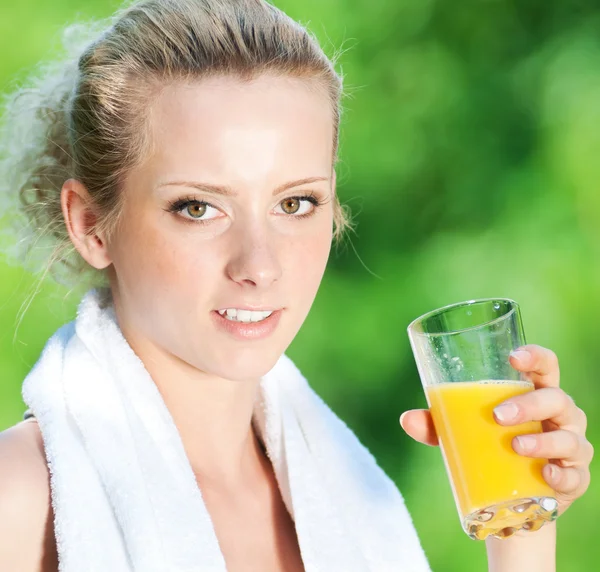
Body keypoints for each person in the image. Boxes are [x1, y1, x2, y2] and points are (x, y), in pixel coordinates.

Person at [0, 0, 592, 570]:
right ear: (90, 226)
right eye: (198, 208)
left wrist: (522, 522)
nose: (260, 265)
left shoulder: (347, 493)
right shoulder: (22, 499)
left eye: (295, 202)